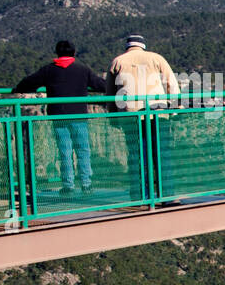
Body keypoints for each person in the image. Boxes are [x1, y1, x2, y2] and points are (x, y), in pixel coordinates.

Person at [11, 40, 106, 200]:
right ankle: (86, 184)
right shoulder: (82, 69)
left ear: (57, 53)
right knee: (83, 150)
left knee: (65, 152)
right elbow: (100, 85)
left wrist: (18, 88)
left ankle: (68, 186)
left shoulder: (49, 70)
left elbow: (28, 82)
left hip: (58, 116)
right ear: (74, 53)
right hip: (79, 116)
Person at [106, 34, 180, 203]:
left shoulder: (117, 62)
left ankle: (140, 196)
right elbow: (172, 85)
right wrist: (175, 110)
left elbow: (110, 94)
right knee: (162, 155)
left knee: (136, 156)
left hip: (131, 115)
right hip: (158, 114)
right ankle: (168, 196)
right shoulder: (156, 58)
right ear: (143, 45)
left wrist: (113, 116)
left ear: (127, 46)